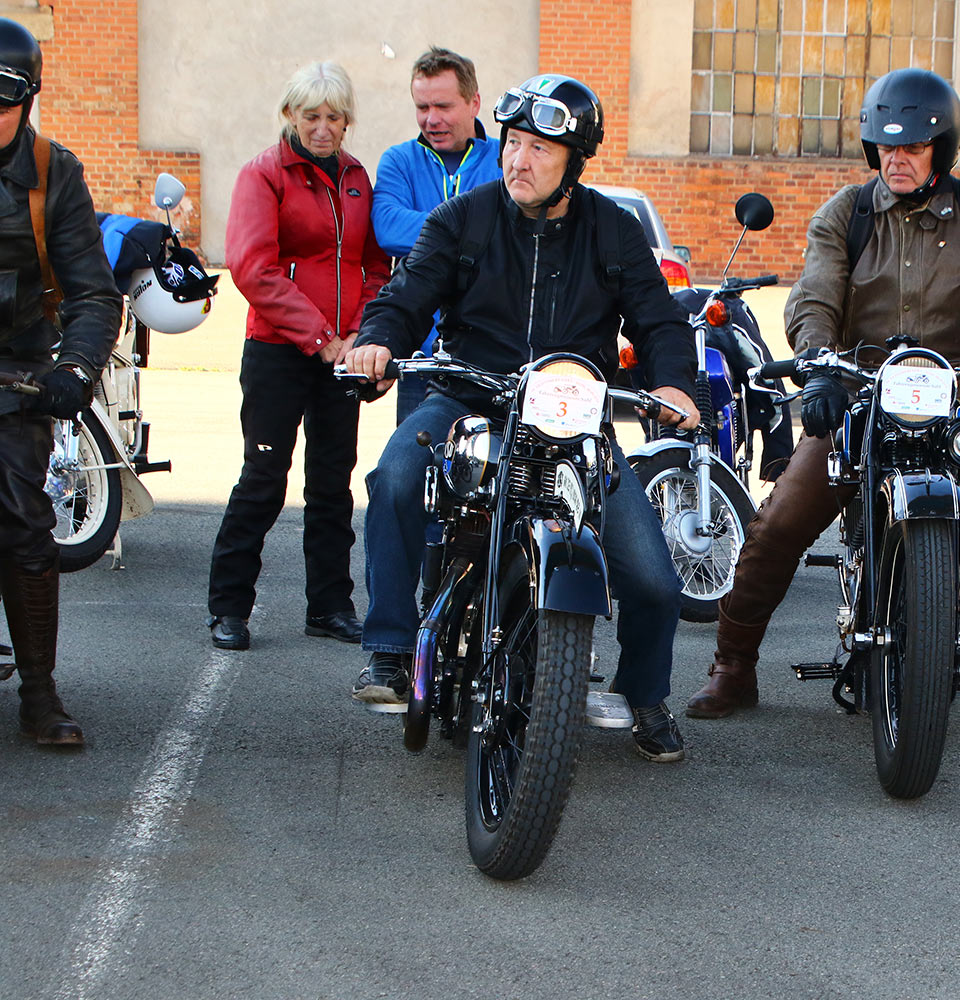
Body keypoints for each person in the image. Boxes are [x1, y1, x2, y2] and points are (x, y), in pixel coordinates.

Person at [344, 74, 698, 762]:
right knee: (395, 477)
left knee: (654, 577)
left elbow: (659, 322)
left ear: (574, 161)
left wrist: (674, 385)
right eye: (513, 143)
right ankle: (389, 649)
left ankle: (644, 695)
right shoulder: (462, 220)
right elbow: (406, 295)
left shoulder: (613, 232)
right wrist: (377, 342)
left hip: (572, 419)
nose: (518, 160)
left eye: (540, 148)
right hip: (468, 398)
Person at [685, 67, 960, 719]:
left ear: (942, 149)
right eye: (887, 147)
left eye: (912, 147)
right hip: (861, 382)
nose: (897, 158)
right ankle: (734, 666)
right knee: (780, 521)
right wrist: (819, 367)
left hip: (955, 380)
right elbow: (814, 298)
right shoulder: (846, 214)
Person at [205, 62, 390, 651]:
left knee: (333, 485)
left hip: (342, 356)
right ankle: (229, 608)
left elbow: (375, 266)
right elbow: (252, 268)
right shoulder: (263, 174)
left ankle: (330, 607)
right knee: (263, 478)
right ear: (290, 115)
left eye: (335, 117)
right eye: (312, 116)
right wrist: (320, 337)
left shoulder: (357, 178)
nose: (323, 128)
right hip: (277, 351)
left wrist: (359, 334)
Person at [0, 18, 121, 745]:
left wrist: (75, 369)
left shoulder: (54, 174)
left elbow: (93, 292)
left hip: (15, 373)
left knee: (23, 519)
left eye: (2, 98)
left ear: (28, 98)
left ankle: (40, 694)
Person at [371, 47, 502, 424]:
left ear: (474, 102)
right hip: (421, 357)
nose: (431, 119)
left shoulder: (505, 158)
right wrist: (477, 230)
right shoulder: (399, 160)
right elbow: (388, 227)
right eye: (422, 107)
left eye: (443, 106)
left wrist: (434, 234)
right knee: (414, 460)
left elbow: (518, 231)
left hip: (492, 358)